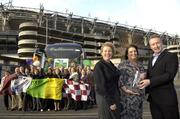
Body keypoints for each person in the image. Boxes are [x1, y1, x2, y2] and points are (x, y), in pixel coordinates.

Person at [138, 34, 180, 119]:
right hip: (154, 101)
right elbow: (152, 75)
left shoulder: (171, 56)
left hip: (167, 100)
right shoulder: (151, 59)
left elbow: (169, 75)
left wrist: (150, 81)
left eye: (157, 43)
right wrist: (144, 76)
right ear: (150, 46)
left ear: (162, 43)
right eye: (153, 44)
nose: (155, 46)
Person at [118, 45, 146, 119]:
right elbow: (119, 80)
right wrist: (126, 90)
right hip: (127, 98)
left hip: (138, 97)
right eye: (130, 52)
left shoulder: (140, 65)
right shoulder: (123, 64)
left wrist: (144, 76)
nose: (133, 53)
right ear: (127, 54)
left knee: (138, 116)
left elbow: (143, 79)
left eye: (135, 51)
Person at [94, 42, 121, 119]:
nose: (107, 53)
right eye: (105, 51)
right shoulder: (99, 66)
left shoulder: (111, 65)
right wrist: (111, 102)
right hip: (105, 98)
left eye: (109, 51)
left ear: (112, 53)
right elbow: (100, 87)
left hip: (114, 96)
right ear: (102, 53)